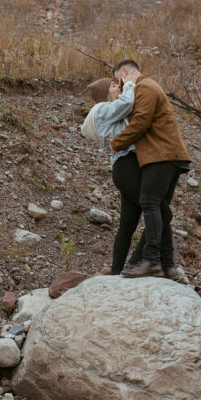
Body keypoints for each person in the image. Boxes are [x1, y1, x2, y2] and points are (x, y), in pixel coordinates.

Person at [109, 59, 191, 278]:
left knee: (150, 203)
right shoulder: (148, 88)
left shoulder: (145, 86)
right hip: (168, 155)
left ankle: (151, 261)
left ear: (125, 72)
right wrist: (118, 98)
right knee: (157, 207)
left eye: (119, 80)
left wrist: (116, 142)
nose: (120, 84)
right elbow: (137, 117)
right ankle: (168, 265)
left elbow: (141, 121)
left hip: (161, 156)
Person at [81, 75, 143, 275]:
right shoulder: (104, 109)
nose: (120, 87)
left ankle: (116, 272)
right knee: (159, 213)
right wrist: (132, 83)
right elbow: (127, 102)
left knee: (128, 224)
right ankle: (135, 263)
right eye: (114, 85)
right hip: (126, 167)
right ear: (105, 92)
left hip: (126, 168)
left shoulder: (110, 111)